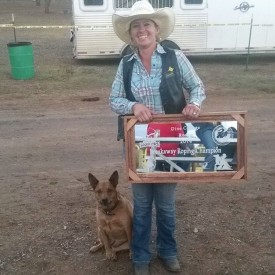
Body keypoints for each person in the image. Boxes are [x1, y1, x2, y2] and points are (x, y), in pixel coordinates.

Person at [109, 1, 206, 274]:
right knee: (141, 205)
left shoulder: (174, 58)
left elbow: (196, 86)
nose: (142, 30)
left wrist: (194, 104)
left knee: (165, 204)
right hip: (138, 145)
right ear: (131, 34)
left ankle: (168, 251)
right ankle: (140, 256)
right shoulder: (126, 65)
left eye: (147, 25)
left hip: (172, 143)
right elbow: (114, 99)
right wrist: (133, 106)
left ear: (156, 30)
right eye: (136, 26)